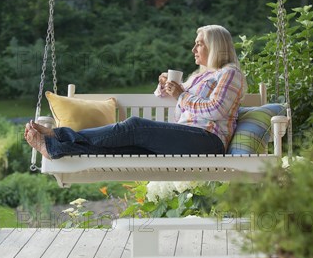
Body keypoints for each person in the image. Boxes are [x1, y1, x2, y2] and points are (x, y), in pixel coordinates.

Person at [25, 25, 246, 159]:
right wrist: (166, 87)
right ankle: (56, 148)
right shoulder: (200, 76)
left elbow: (216, 109)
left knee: (135, 126)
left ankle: (58, 136)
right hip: (186, 138)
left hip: (207, 141)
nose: (193, 49)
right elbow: (172, 97)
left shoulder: (229, 73)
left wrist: (180, 94)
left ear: (215, 46)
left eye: (199, 44)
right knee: (127, 148)